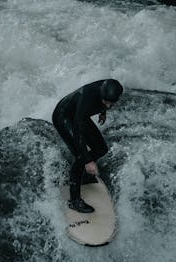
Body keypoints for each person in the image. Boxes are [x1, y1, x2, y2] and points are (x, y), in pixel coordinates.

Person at [52, 79, 123, 213]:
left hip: (80, 114)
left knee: (101, 148)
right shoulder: (87, 99)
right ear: (101, 95)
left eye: (111, 103)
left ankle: (85, 175)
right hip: (64, 116)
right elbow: (78, 133)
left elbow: (107, 101)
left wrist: (103, 111)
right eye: (105, 102)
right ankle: (74, 201)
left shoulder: (110, 89)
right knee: (81, 157)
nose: (108, 105)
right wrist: (88, 160)